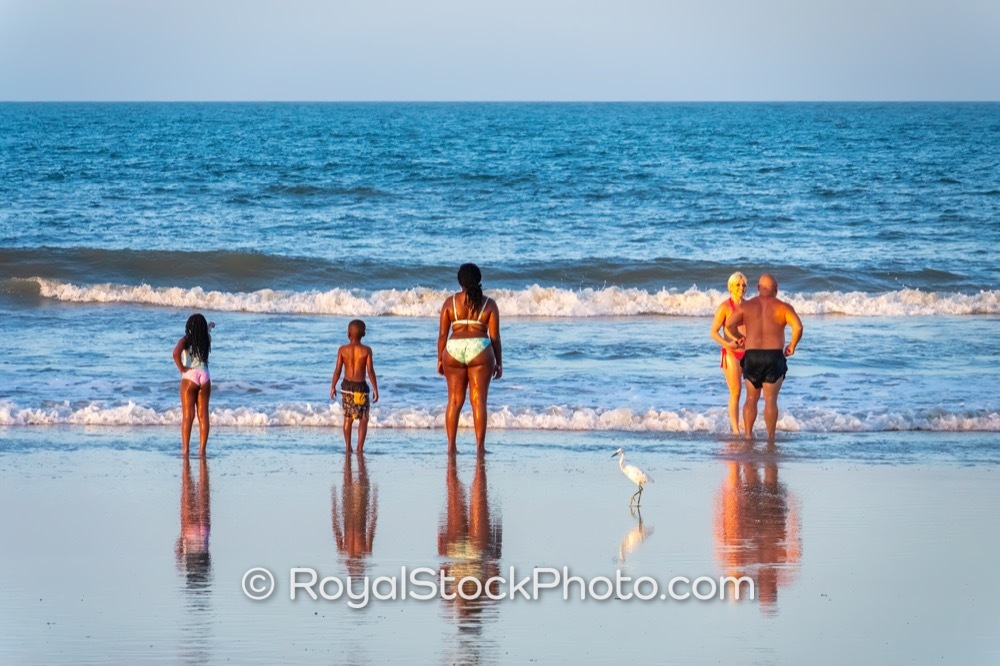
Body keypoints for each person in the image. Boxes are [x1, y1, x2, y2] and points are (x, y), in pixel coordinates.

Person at [725, 274, 803, 441]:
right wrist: (792, 346)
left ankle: (747, 435)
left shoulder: (748, 306)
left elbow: (729, 325)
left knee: (751, 398)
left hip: (752, 356)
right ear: (777, 289)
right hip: (773, 356)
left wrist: (738, 337)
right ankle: (770, 438)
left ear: (758, 288)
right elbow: (798, 327)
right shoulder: (783, 307)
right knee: (770, 399)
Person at [437, 263, 502, 455]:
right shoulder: (489, 304)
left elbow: (442, 335)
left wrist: (440, 359)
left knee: (454, 401)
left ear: (459, 281)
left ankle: (451, 447)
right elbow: (495, 337)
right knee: (478, 401)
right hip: (480, 348)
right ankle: (480, 448)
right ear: (479, 279)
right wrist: (499, 362)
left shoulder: (450, 303)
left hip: (453, 348)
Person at [331, 319, 379, 453]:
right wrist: (375, 388)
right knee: (363, 419)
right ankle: (359, 448)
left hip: (346, 387)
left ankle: (348, 447)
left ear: (348, 334)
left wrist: (333, 386)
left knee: (348, 417)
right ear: (364, 334)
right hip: (361, 388)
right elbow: (370, 371)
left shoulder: (342, 350)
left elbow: (337, 370)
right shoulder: (366, 350)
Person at [709, 271, 748, 435]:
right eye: (738, 285)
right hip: (731, 352)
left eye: (744, 285)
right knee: (736, 390)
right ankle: (735, 430)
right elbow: (713, 332)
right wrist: (728, 344)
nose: (741, 288)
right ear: (731, 287)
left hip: (749, 352)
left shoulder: (749, 305)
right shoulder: (725, 307)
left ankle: (746, 425)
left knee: (753, 392)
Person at [172, 314, 215, 457]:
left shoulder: (185, 340)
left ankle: (185, 450)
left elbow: (175, 353)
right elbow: (206, 330)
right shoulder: (206, 339)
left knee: (188, 416)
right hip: (205, 376)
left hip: (190, 377)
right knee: (203, 416)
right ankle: (202, 450)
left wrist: (182, 368)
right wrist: (209, 326)